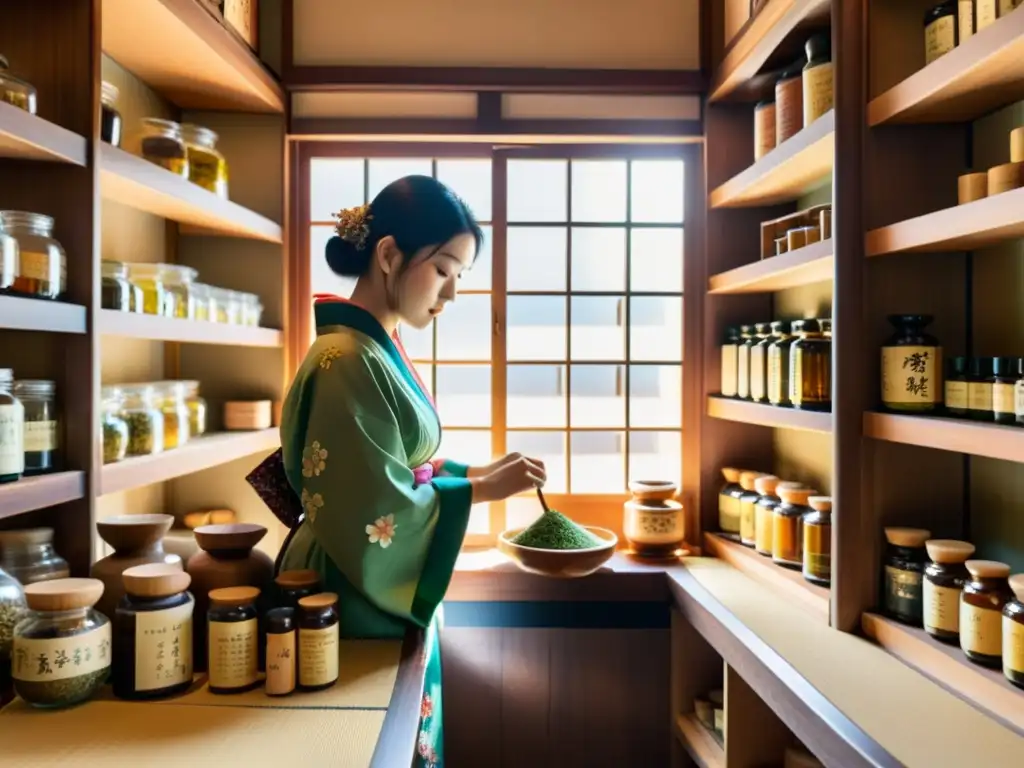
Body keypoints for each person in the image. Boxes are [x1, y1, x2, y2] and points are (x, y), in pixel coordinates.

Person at [249, 175, 545, 767]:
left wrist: (475, 472)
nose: (453, 293)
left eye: (459, 275)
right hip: (352, 575)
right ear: (388, 255)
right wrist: (481, 488)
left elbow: (398, 465)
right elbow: (370, 503)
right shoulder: (345, 360)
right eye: (443, 270)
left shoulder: (368, 347)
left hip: (368, 567)